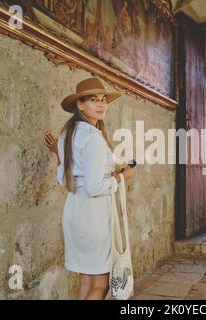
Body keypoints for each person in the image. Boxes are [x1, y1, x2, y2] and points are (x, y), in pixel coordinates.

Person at [44, 78, 134, 300]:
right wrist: (122, 177)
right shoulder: (93, 137)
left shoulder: (67, 134)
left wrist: (113, 170)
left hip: (75, 211)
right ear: (80, 105)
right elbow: (94, 187)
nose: (102, 105)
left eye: (103, 100)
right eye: (94, 100)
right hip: (93, 215)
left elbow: (66, 179)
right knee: (100, 285)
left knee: (85, 281)